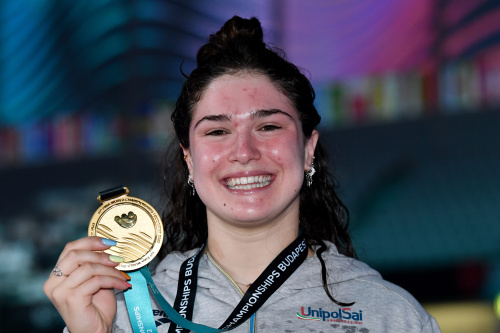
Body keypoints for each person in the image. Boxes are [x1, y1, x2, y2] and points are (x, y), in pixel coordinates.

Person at [44, 16, 441, 333]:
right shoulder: (123, 311)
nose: (244, 152)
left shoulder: (388, 315)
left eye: (268, 127)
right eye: (217, 131)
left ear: (307, 149)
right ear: (189, 160)